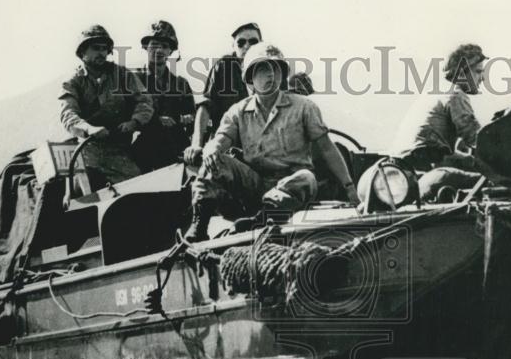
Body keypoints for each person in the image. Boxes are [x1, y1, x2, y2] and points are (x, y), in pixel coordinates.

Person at [183, 43, 360, 241]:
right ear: (250, 77)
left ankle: (263, 221)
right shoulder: (238, 111)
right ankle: (199, 225)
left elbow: (327, 148)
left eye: (276, 69)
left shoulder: (304, 107)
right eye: (264, 69)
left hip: (291, 188)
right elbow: (221, 139)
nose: (271, 75)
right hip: (254, 184)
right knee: (214, 161)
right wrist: (211, 152)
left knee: (306, 177)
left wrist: (349, 188)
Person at [396, 43, 509, 200]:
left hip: (402, 174)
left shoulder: (436, 92)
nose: (482, 78)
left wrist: (469, 159)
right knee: (505, 185)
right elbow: (477, 139)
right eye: (478, 72)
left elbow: (436, 147)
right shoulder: (455, 94)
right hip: (416, 171)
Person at [58, 24, 153, 185]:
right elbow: (68, 113)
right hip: (86, 149)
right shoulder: (73, 81)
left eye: (104, 48)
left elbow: (144, 101)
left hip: (118, 149)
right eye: (96, 48)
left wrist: (135, 121)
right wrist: (88, 129)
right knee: (81, 192)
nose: (101, 53)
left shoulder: (122, 74)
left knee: (135, 187)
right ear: (82, 52)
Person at [188, 21, 261, 157]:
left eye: (253, 42)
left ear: (261, 44)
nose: (247, 46)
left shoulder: (271, 69)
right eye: (241, 43)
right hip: (224, 147)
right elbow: (205, 106)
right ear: (234, 46)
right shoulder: (224, 66)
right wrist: (196, 145)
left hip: (258, 149)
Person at [131, 20, 196, 171]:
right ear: (146, 47)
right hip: (143, 147)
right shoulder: (133, 80)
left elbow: (193, 115)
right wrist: (156, 121)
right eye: (154, 45)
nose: (159, 50)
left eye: (165, 46)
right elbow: (125, 114)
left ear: (171, 51)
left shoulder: (181, 84)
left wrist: (189, 118)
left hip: (175, 148)